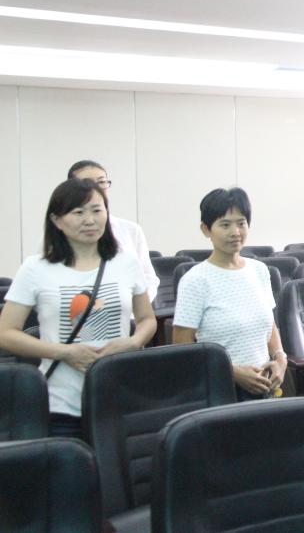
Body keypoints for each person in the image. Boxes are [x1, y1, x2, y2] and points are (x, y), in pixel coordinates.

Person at [0, 178, 156, 438]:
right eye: (78, 212)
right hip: (60, 405)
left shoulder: (126, 263)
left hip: (119, 397)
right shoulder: (35, 268)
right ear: (56, 220)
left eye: (97, 210)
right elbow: (5, 333)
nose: (90, 220)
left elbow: (147, 319)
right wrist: (64, 352)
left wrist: (133, 342)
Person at [172, 188, 286, 400]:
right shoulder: (195, 281)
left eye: (241, 223)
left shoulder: (259, 271)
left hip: (264, 388)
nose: (235, 232)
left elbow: (269, 325)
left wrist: (280, 359)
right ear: (206, 229)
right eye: (225, 225)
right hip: (219, 392)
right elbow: (183, 350)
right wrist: (233, 373)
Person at [68, 160, 159, 302]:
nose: (96, 189)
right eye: (87, 183)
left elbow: (148, 278)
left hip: (127, 311)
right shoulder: (58, 232)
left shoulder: (131, 230)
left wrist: (137, 307)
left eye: (101, 182)